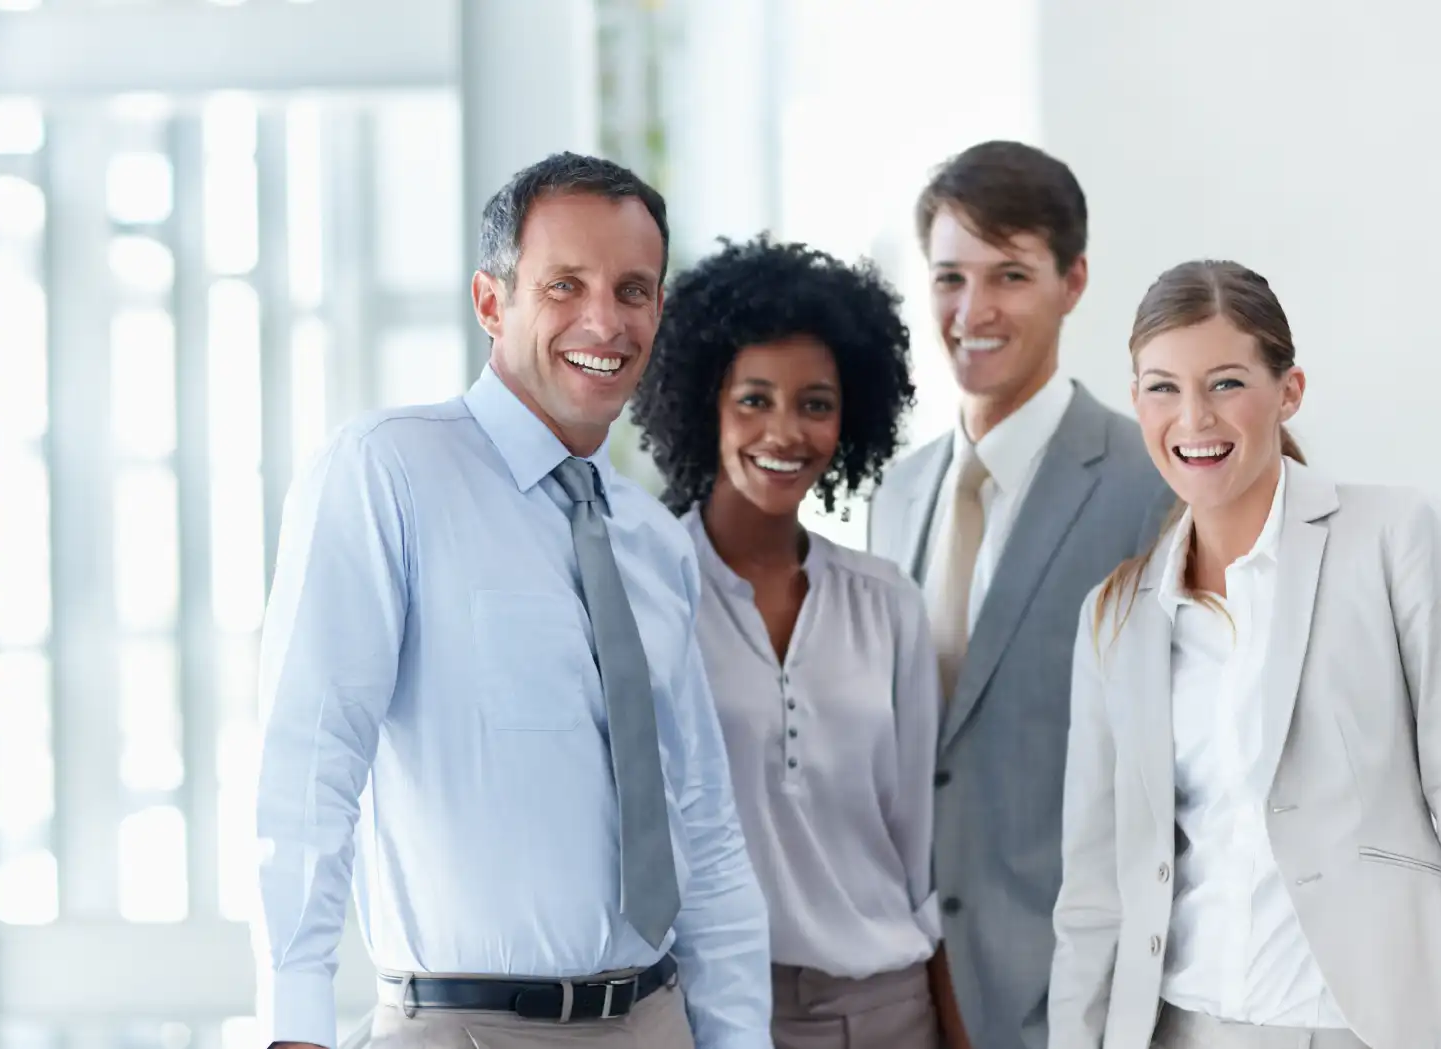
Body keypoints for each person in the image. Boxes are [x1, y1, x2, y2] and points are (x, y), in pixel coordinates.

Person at [251, 151, 773, 1049]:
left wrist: (736, 1038)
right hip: (463, 1026)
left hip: (657, 1020)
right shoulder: (388, 471)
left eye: (633, 289)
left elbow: (704, 824)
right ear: (493, 302)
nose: (603, 321)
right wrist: (293, 1024)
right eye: (564, 284)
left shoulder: (650, 539)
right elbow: (310, 761)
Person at [1049, 260, 1441, 1049]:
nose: (1192, 417)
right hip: (1178, 1029)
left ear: (1287, 390)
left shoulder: (1394, 537)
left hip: (1371, 1028)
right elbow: (1095, 891)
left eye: (1225, 383)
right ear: (1135, 402)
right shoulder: (1115, 615)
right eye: (1161, 387)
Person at [864, 140, 1175, 1049]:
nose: (973, 310)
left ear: (1072, 281)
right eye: (949, 277)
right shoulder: (899, 493)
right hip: (906, 986)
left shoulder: (1147, 484)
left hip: (1071, 990)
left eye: (1009, 275)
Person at [630, 234, 943, 1049]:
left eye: (815, 403)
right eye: (754, 399)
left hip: (883, 1008)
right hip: (712, 1009)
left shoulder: (887, 604)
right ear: (706, 403)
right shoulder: (648, 592)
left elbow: (920, 853)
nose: (785, 431)